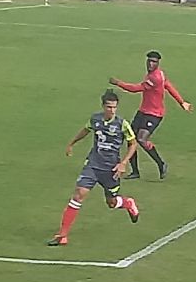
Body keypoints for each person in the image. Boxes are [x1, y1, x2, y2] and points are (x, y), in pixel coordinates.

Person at [48, 90, 139, 246]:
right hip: (93, 164)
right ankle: (62, 235)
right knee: (79, 194)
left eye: (114, 107)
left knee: (111, 203)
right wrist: (72, 143)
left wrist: (123, 163)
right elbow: (86, 130)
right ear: (103, 106)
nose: (112, 110)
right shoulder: (95, 119)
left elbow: (133, 143)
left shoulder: (122, 124)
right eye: (109, 107)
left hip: (111, 169)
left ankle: (128, 203)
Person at [109, 51, 193, 180]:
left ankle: (161, 163)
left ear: (158, 63)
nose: (150, 64)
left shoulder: (155, 77)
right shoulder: (159, 74)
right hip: (143, 111)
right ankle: (135, 172)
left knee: (142, 139)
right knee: (131, 138)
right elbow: (168, 86)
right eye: (149, 61)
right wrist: (182, 102)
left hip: (154, 114)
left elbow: (135, 88)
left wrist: (118, 83)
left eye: (153, 62)